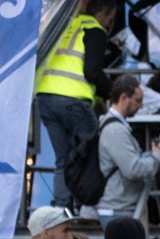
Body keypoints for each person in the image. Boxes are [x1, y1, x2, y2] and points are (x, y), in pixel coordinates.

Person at [34, 0, 118, 210]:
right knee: (86, 157)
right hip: (73, 99)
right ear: (103, 13)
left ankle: (61, 208)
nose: (109, 24)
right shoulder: (95, 30)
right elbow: (92, 71)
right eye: (110, 19)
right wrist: (112, 91)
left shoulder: (65, 23)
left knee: (63, 159)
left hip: (45, 96)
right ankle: (86, 208)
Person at [98, 74, 160, 225]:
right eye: (138, 101)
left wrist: (152, 155)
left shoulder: (114, 126)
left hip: (119, 208)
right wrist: (157, 155)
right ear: (124, 98)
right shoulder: (115, 130)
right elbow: (133, 169)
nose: (141, 106)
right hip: (118, 209)